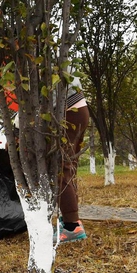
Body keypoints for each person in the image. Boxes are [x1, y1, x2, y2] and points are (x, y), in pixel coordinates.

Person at [58, 78, 90, 243]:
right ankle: (70, 218)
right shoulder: (54, 52)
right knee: (68, 169)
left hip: (69, 112)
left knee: (60, 169)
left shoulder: (35, 56)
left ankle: (72, 227)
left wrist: (17, 130)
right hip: (78, 109)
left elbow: (33, 99)